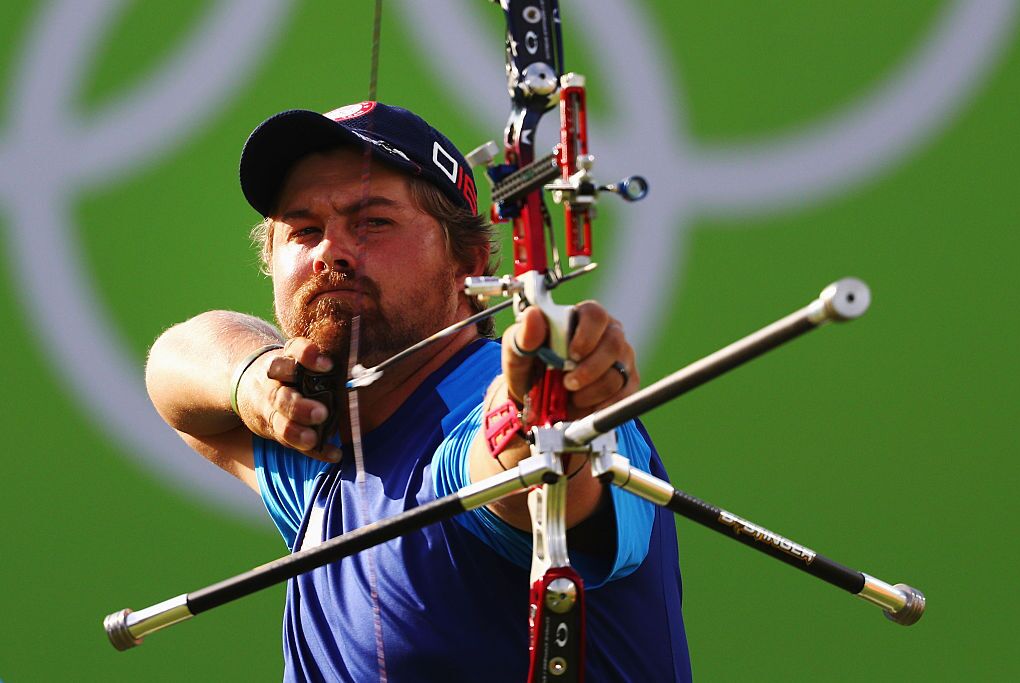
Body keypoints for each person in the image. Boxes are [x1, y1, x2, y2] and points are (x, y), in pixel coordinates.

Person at [146, 101, 691, 681]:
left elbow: (515, 480)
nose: (329, 251)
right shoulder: (318, 436)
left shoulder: (474, 410)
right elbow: (177, 366)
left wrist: (538, 410)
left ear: (469, 263)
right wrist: (253, 381)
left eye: (372, 222)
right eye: (303, 230)